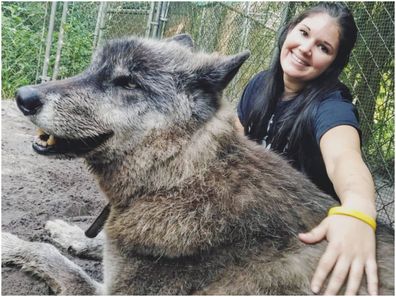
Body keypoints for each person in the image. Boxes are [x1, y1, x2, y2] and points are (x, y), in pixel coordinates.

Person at [236, 3, 378, 295]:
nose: (305, 48)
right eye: (303, 33)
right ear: (289, 30)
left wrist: (358, 210)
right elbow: (235, 138)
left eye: (323, 47)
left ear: (334, 62)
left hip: (298, 233)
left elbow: (344, 158)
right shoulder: (260, 83)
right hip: (251, 217)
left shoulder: (331, 105)